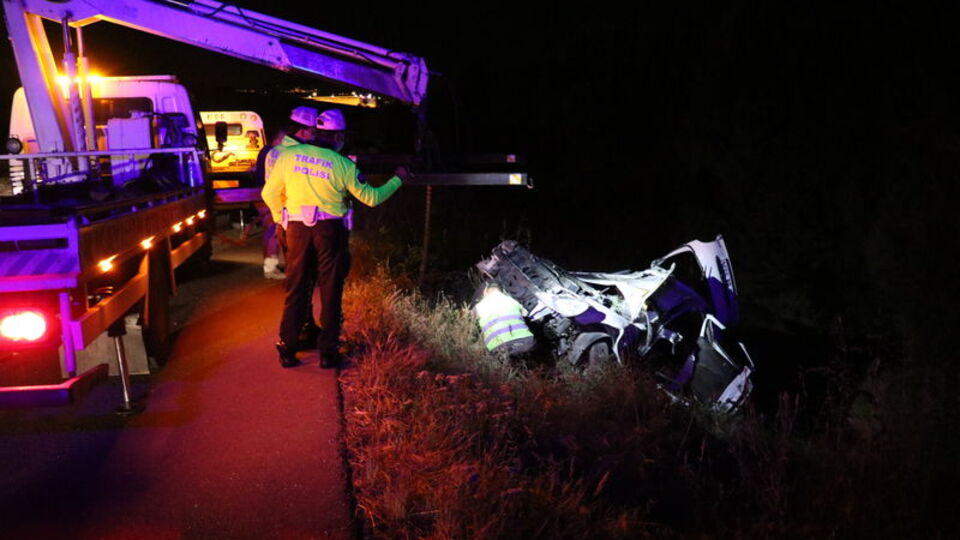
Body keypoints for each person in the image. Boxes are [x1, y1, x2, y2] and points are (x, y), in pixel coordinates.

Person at [262, 108, 411, 368]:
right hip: (330, 231)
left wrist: (280, 220)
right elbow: (371, 198)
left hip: (296, 228)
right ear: (339, 136)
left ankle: (287, 348)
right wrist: (398, 179)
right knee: (331, 289)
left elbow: (269, 194)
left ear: (317, 132)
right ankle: (328, 352)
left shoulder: (288, 157)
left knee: (296, 288)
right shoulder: (343, 164)